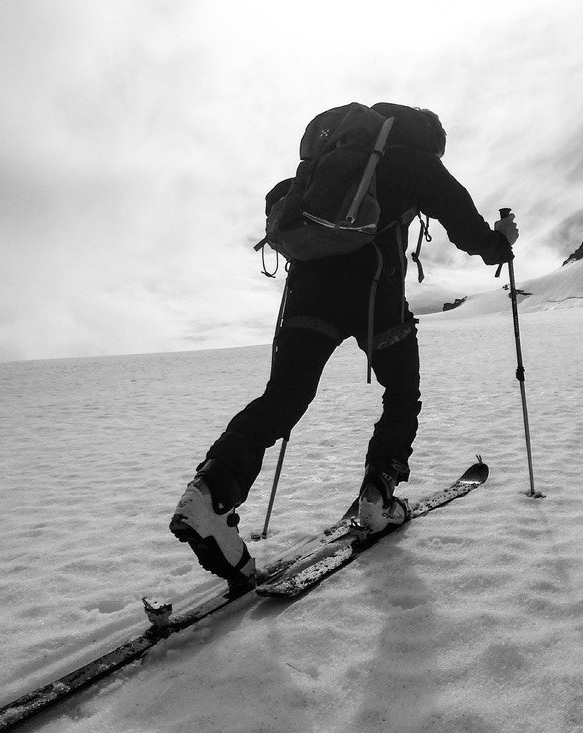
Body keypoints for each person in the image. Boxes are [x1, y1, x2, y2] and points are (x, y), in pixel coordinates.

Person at [170, 104, 518, 586]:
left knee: (283, 398)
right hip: (374, 296)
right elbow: (463, 223)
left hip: (308, 294)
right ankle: (379, 491)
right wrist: (501, 244)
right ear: (431, 139)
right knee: (401, 391)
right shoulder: (412, 158)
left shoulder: (331, 160)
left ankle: (210, 494)